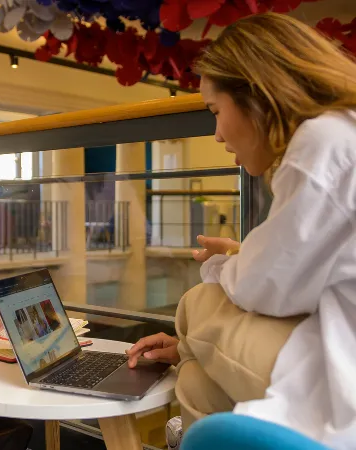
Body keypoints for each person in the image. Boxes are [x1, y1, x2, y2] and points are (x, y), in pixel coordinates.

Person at [125, 12, 356, 448]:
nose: (216, 134)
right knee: (194, 382)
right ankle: (188, 363)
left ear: (256, 94)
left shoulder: (323, 144)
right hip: (336, 340)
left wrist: (224, 264)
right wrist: (241, 258)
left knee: (201, 298)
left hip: (346, 371)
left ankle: (186, 349)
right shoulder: (344, 132)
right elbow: (293, 273)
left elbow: (261, 289)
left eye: (215, 111)